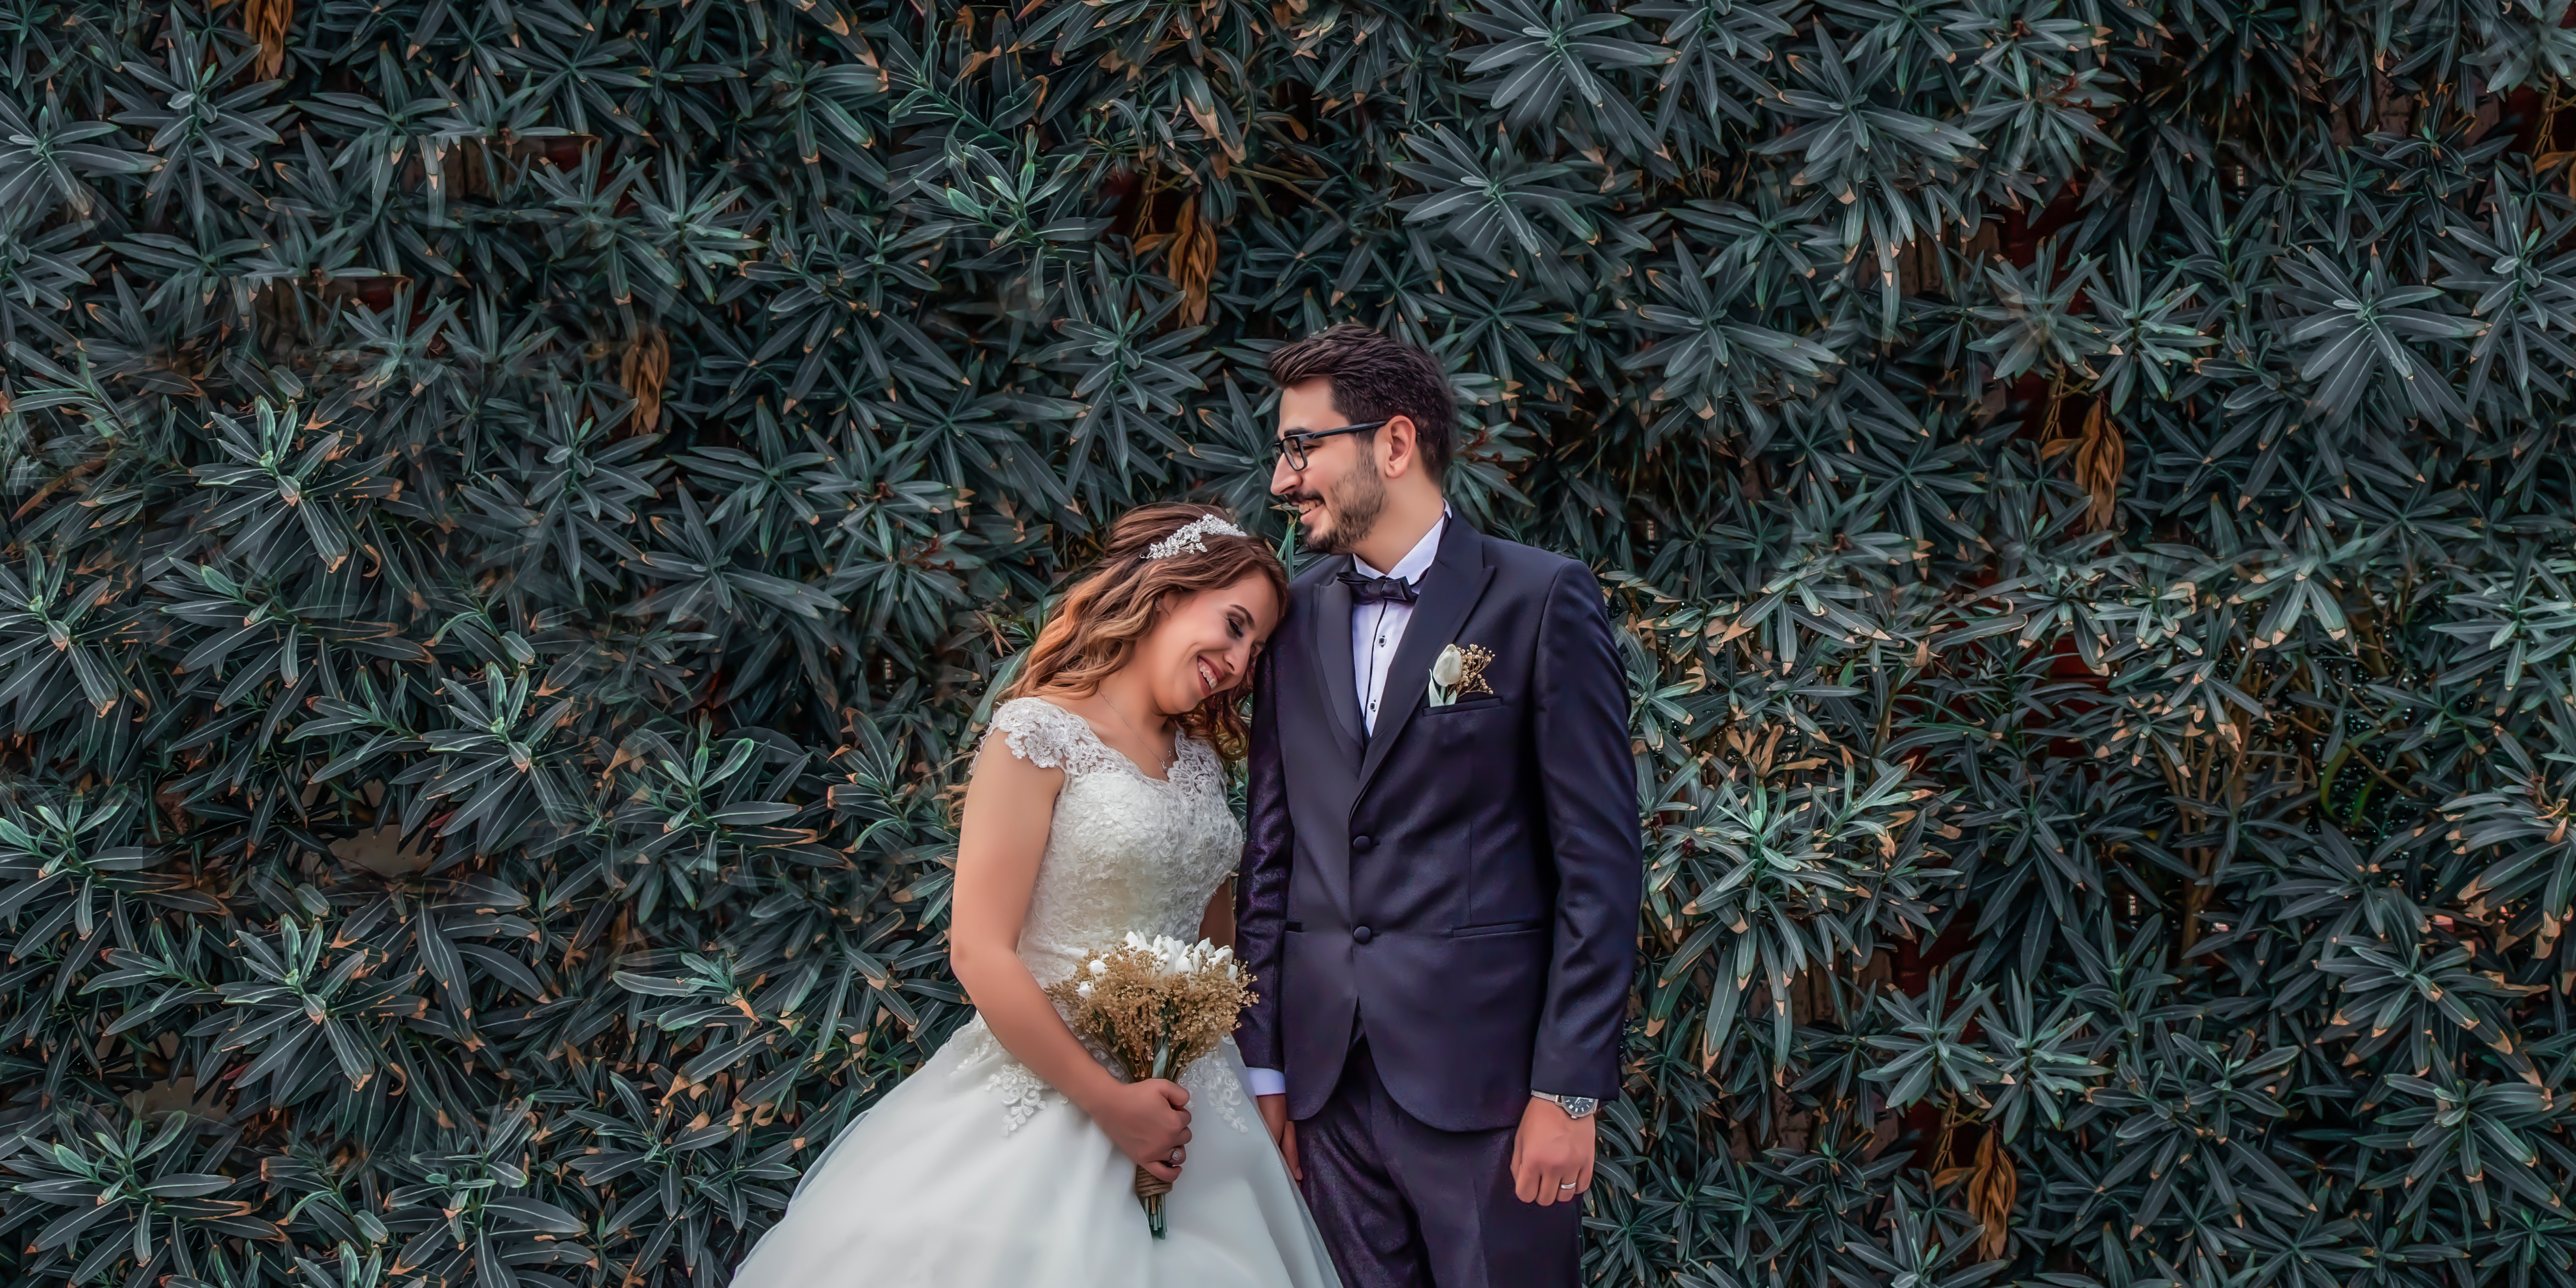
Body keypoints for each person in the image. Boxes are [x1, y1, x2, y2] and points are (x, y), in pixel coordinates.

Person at [730, 503, 1341, 1288]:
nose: (1238, 662)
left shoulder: (1202, 762)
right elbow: (978, 951)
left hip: (1194, 1103)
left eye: (1254, 650)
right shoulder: (1038, 733)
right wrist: (1112, 1103)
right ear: (1166, 593)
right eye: (1233, 626)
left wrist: (1221, 1072)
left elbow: (1216, 957)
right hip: (1051, 1088)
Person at [1234, 325, 1642, 1288]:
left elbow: (1599, 866)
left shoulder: (1541, 600)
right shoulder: (1293, 619)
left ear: (1395, 443)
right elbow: (1271, 857)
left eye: (1303, 447)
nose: (1284, 480)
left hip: (1490, 1091)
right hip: (1326, 1095)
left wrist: (1568, 1092)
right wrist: (1266, 1071)